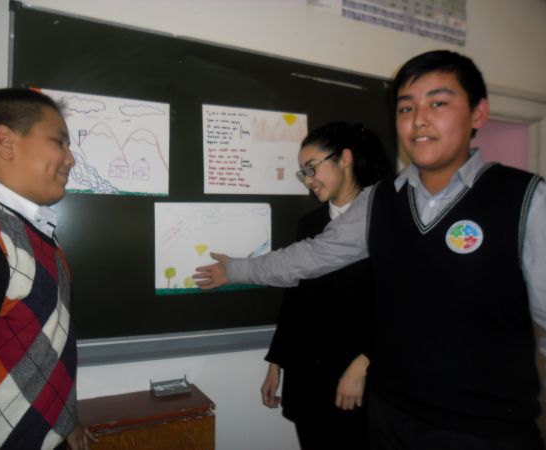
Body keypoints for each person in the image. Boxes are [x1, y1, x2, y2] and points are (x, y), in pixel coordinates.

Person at [194, 50, 546, 450]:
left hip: (481, 429)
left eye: (438, 103)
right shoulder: (380, 202)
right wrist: (236, 270)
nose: (418, 119)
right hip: (389, 415)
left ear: (477, 114)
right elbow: (310, 258)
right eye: (406, 108)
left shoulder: (525, 200)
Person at [0, 88, 93, 449]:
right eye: (59, 141)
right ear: (5, 142)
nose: (70, 159)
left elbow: (44, 345)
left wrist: (66, 420)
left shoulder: (37, 234)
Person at [261, 122, 391, 449]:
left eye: (311, 168)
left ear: (344, 159)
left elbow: (399, 303)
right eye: (302, 172)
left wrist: (365, 363)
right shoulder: (310, 223)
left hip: (359, 374)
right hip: (308, 373)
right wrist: (276, 364)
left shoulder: (386, 219)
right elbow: (296, 298)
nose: (307, 180)